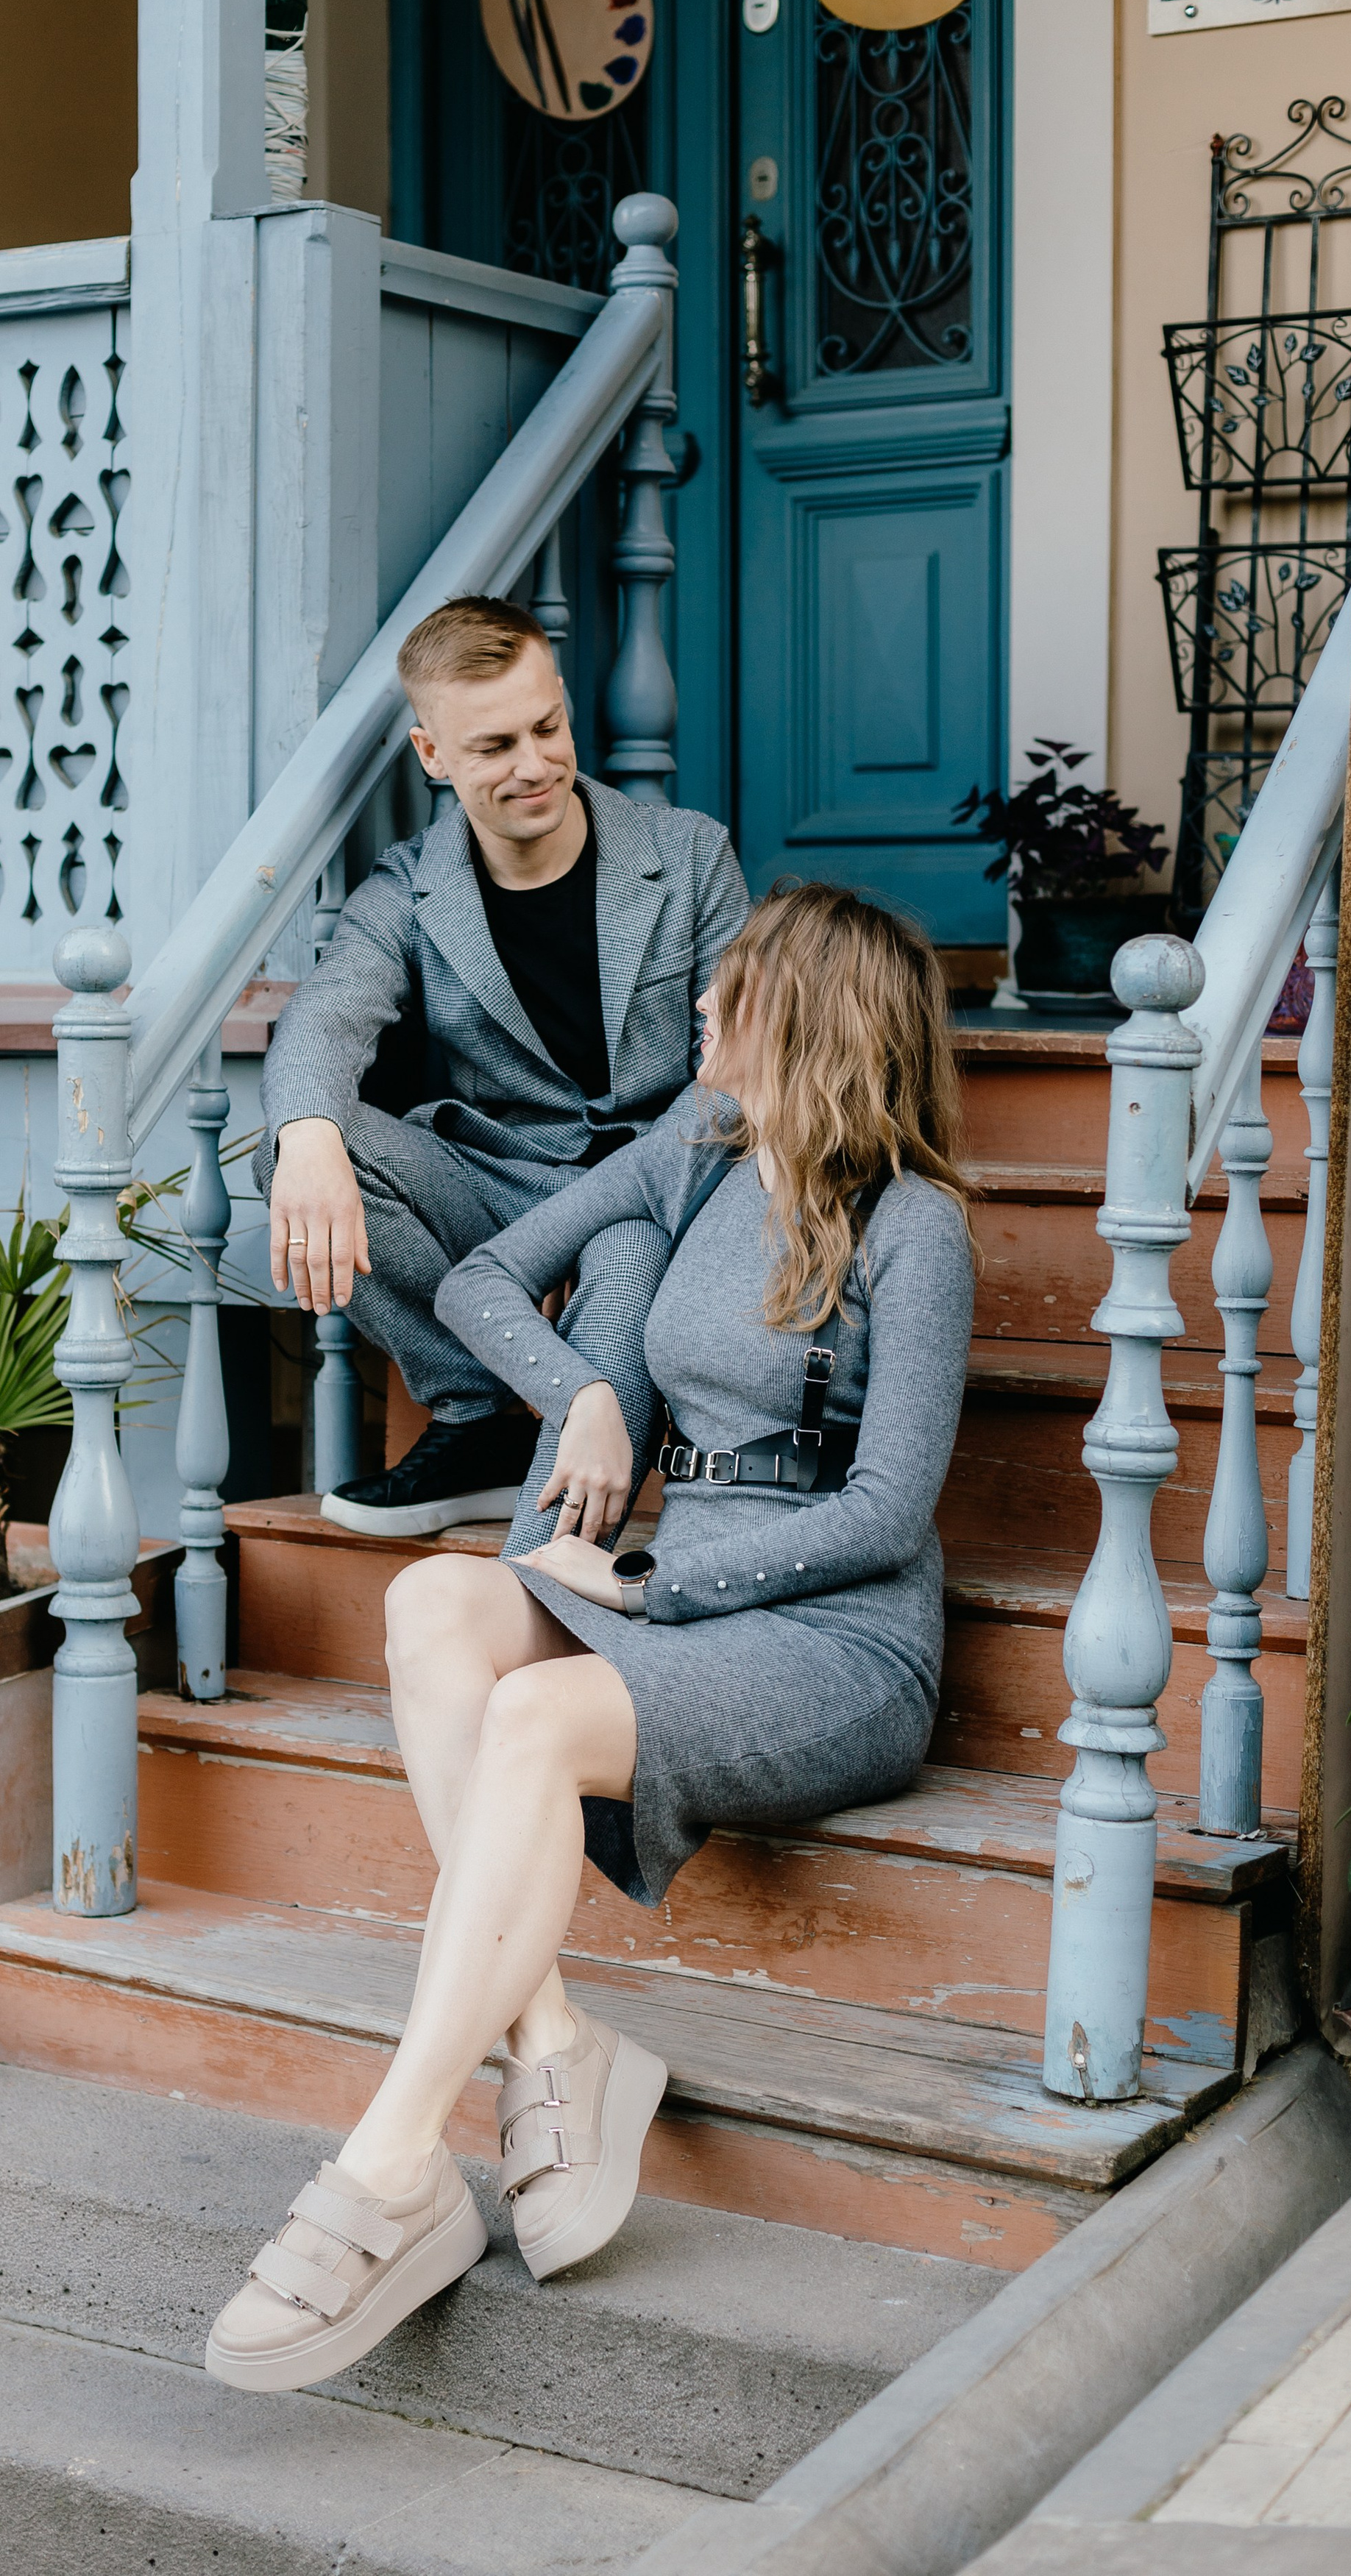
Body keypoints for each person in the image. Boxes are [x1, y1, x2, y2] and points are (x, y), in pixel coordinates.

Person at [206, 880, 979, 2393]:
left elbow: (888, 1513)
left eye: (731, 988)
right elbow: (486, 1275)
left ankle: (391, 2164)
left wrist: (650, 1588)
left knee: (533, 1717)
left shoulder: (915, 1228)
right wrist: (587, 1397)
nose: (700, 1004)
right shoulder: (700, 1151)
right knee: (430, 1600)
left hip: (834, 1641)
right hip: (677, 1591)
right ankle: (553, 2042)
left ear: (806, 1019)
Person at [258, 592, 748, 1537]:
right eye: (493, 747)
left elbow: (741, 1073)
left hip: (650, 1185)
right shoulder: (409, 886)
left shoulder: (689, 856)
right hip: (494, 1183)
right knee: (297, 1148)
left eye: (546, 727)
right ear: (432, 754)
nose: (534, 766)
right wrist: (308, 1135)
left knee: (624, 1259)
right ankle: (476, 1410)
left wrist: (599, 1205)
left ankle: (546, 1566)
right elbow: (328, 1013)